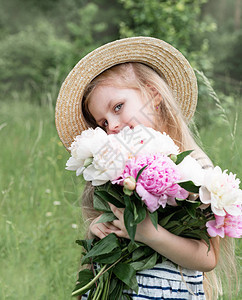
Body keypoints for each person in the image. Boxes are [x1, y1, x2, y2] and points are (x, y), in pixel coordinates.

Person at [55, 37, 238, 299]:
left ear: (153, 96)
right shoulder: (110, 168)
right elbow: (104, 221)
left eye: (118, 107)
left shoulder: (194, 169)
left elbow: (208, 258)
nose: (113, 126)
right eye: (103, 123)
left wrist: (150, 235)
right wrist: (99, 226)